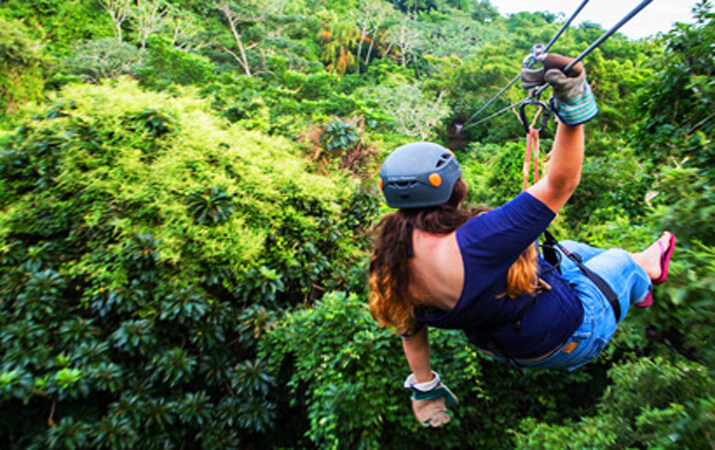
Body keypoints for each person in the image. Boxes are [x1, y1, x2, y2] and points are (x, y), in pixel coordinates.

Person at [367, 53, 677, 428]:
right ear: (456, 188)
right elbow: (561, 183)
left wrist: (425, 387)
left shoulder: (391, 259)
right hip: (573, 336)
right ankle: (642, 271)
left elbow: (410, 331)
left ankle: (632, 280)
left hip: (506, 346)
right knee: (622, 261)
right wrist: (571, 105)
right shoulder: (480, 239)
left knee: (568, 250)